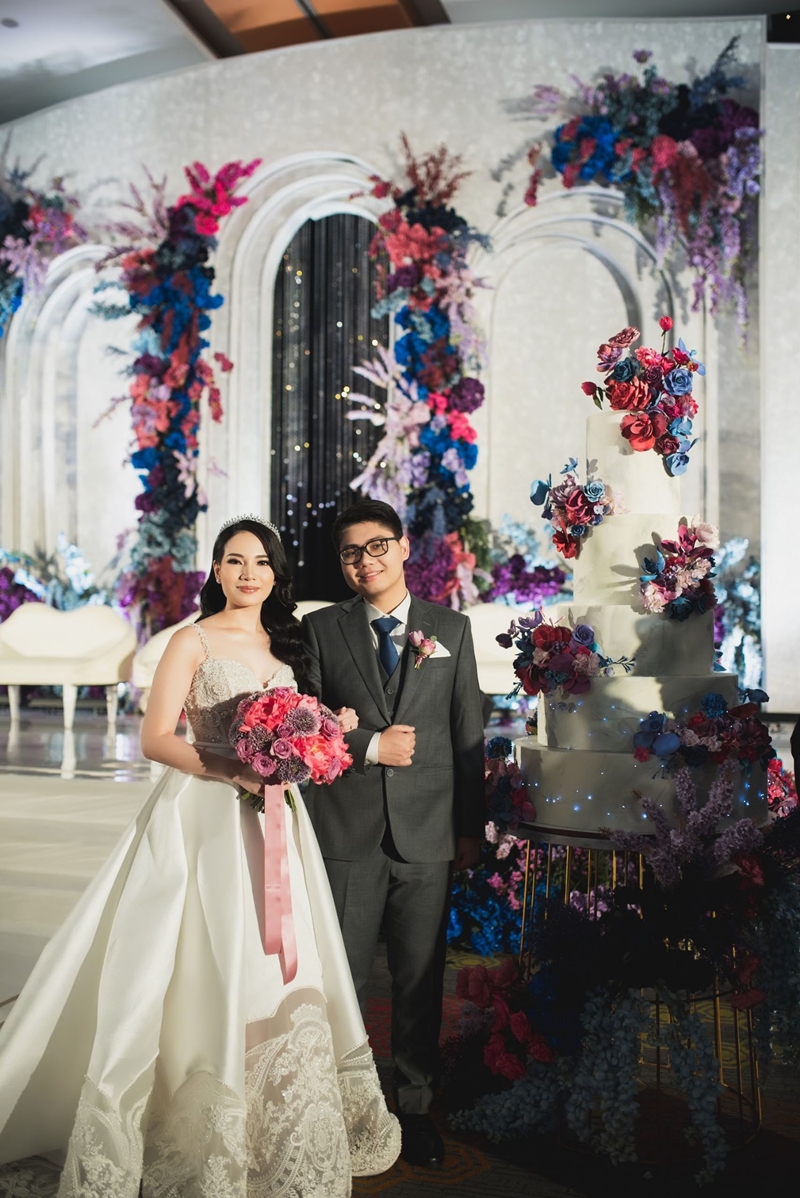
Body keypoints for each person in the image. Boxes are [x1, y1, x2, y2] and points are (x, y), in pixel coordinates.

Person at [0, 515, 400, 1197]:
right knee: (198, 955)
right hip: (203, 815)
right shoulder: (193, 640)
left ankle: (277, 1120)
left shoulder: (289, 645)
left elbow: (309, 729)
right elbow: (156, 738)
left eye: (262, 562)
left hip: (277, 820)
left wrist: (326, 739)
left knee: (277, 956)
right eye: (235, 561)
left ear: (276, 574)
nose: (250, 574)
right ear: (216, 570)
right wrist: (233, 769)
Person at [300, 499, 485, 1169]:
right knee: (342, 979)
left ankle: (414, 1105)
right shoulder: (320, 629)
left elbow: (467, 733)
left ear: (404, 548)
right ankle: (341, 1107)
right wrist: (371, 746)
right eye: (351, 552)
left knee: (419, 979)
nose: (365, 561)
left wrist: (470, 829)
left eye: (377, 545)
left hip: (428, 831)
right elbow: (307, 721)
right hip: (345, 828)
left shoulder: (451, 629)